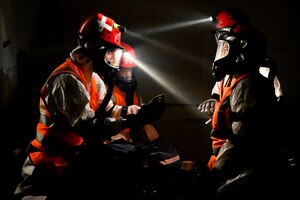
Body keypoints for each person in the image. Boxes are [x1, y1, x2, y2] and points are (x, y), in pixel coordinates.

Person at [13, 12, 165, 200]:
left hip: (69, 165)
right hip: (47, 170)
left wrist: (139, 111)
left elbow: (111, 110)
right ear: (97, 49)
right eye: (111, 52)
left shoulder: (92, 78)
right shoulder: (67, 80)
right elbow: (90, 129)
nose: (114, 61)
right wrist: (132, 121)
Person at [198, 8, 288, 200]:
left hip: (244, 166)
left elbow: (243, 132)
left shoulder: (251, 78)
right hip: (231, 162)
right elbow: (223, 97)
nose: (221, 48)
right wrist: (215, 103)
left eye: (224, 41)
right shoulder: (232, 76)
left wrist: (217, 170)